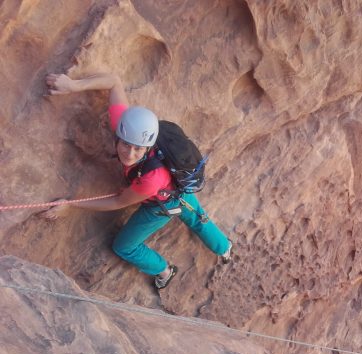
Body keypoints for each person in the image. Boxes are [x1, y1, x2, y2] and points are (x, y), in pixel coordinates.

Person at [42, 72, 231, 289]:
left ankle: (164, 270)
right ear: (120, 135)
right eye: (125, 145)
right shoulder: (130, 129)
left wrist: (71, 204)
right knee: (197, 218)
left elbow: (117, 202)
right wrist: (72, 86)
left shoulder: (149, 178)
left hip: (160, 204)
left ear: (148, 146)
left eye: (137, 149)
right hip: (178, 186)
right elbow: (114, 82)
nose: (129, 154)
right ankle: (224, 247)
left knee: (124, 246)